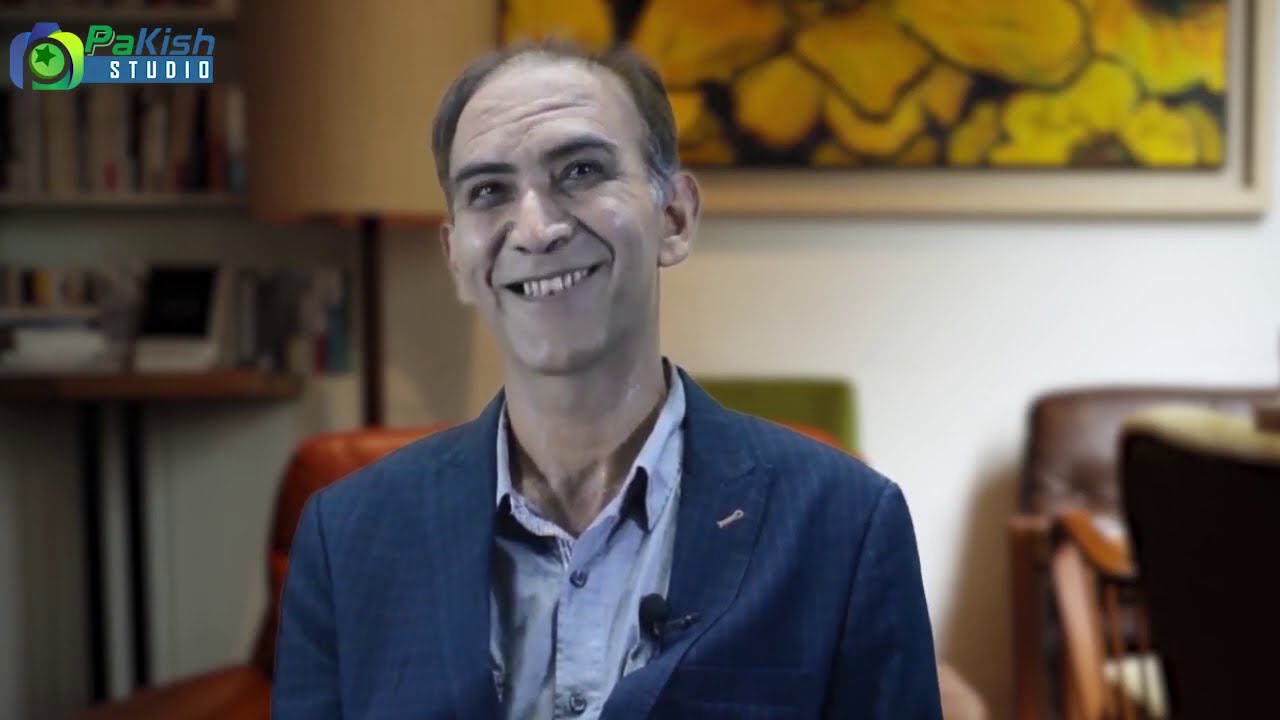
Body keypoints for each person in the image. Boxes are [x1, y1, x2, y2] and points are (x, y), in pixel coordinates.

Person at [272, 41, 942, 720]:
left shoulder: (846, 524)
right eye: (489, 191)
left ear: (674, 217)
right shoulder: (346, 538)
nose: (535, 229)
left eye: (582, 171)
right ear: (455, 258)